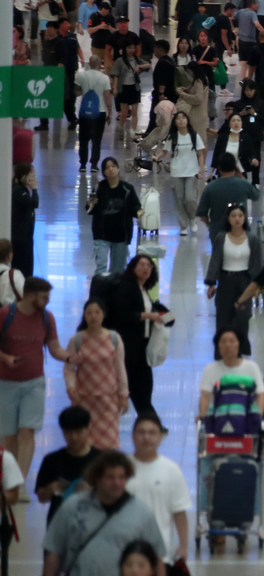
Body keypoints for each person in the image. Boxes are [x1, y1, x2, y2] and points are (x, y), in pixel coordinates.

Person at [0, 276, 66, 492]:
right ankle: (10, 480)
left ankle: (18, 484)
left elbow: (55, 348)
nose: (48, 300)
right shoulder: (5, 315)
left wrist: (70, 357)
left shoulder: (47, 318)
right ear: (30, 296)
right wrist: (5, 358)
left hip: (35, 383)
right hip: (6, 383)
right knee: (9, 436)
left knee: (27, 432)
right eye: (44, 297)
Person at [126, 413, 192, 572]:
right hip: (124, 550)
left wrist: (183, 546)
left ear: (161, 436)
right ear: (133, 436)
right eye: (141, 432)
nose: (146, 437)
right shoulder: (121, 468)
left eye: (152, 433)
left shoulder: (171, 470)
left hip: (160, 553)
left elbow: (179, 512)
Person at [62, 300, 127, 450]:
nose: (93, 316)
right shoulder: (77, 340)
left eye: (97, 312)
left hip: (108, 401)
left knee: (109, 443)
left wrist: (123, 394)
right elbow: (69, 368)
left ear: (103, 315)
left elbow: (120, 368)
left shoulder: (114, 338)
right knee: (85, 444)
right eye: (89, 312)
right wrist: (71, 386)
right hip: (83, 400)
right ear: (84, 315)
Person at [110, 256, 168, 423]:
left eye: (149, 266)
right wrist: (150, 316)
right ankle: (151, 423)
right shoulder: (126, 288)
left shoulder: (143, 290)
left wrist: (163, 315)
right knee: (134, 387)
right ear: (133, 268)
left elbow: (165, 316)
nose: (146, 268)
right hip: (127, 348)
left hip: (141, 347)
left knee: (142, 388)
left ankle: (150, 422)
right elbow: (123, 315)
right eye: (141, 264)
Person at [203, 205, 261, 355]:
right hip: (226, 282)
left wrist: (257, 286)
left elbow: (256, 263)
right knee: (223, 319)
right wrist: (211, 283)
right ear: (228, 218)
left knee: (242, 318)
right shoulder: (222, 238)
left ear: (244, 218)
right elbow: (215, 260)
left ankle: (240, 352)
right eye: (233, 216)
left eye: (240, 216)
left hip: (245, 283)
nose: (237, 219)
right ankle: (221, 352)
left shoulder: (252, 239)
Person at [35, 406, 103, 524]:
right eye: (68, 433)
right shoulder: (51, 460)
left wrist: (92, 492)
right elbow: (41, 497)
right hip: (58, 523)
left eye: (78, 432)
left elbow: (113, 494)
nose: (73, 437)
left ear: (88, 430)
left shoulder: (101, 460)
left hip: (92, 523)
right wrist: (49, 490)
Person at [198, 329, 264, 423]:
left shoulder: (251, 367)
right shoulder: (210, 369)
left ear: (239, 344)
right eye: (223, 342)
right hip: (217, 420)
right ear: (218, 346)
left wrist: (257, 417)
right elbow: (205, 396)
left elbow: (260, 395)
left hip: (246, 421)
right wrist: (203, 416)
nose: (228, 345)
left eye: (232, 341)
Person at [87, 157, 140, 272]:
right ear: (104, 172)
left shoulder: (127, 189)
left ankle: (115, 290)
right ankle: (100, 289)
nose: (111, 169)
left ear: (118, 168)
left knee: (118, 270)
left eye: (113, 166)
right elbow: (90, 210)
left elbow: (136, 206)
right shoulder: (98, 188)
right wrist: (90, 204)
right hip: (101, 234)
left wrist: (141, 214)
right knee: (101, 266)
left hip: (121, 235)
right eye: (107, 167)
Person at [196, 154, 261, 242]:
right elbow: (256, 196)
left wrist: (211, 226)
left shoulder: (210, 187)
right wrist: (242, 177)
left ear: (219, 168)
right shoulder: (243, 184)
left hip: (217, 233)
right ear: (235, 167)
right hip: (240, 233)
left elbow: (202, 214)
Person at [160, 110, 206, 237]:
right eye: (178, 118)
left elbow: (200, 153)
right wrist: (156, 157)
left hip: (192, 172)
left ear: (187, 120)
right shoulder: (172, 137)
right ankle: (183, 225)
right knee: (179, 199)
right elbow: (164, 151)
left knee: (190, 198)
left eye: (183, 118)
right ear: (175, 122)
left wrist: (200, 169)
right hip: (176, 172)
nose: (181, 120)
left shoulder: (194, 135)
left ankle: (192, 219)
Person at [74, 55, 113, 172]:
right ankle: (94, 164)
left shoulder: (81, 76)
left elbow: (76, 92)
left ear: (89, 64)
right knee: (97, 139)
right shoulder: (105, 78)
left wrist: (84, 91)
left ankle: (83, 164)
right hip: (99, 112)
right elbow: (107, 96)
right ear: (100, 63)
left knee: (83, 139)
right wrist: (109, 112)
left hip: (85, 112)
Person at [11, 163, 37, 277]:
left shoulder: (26, 190)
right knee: (21, 267)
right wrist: (35, 190)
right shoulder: (18, 190)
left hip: (27, 235)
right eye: (31, 175)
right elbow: (34, 203)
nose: (34, 178)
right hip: (19, 237)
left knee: (28, 267)